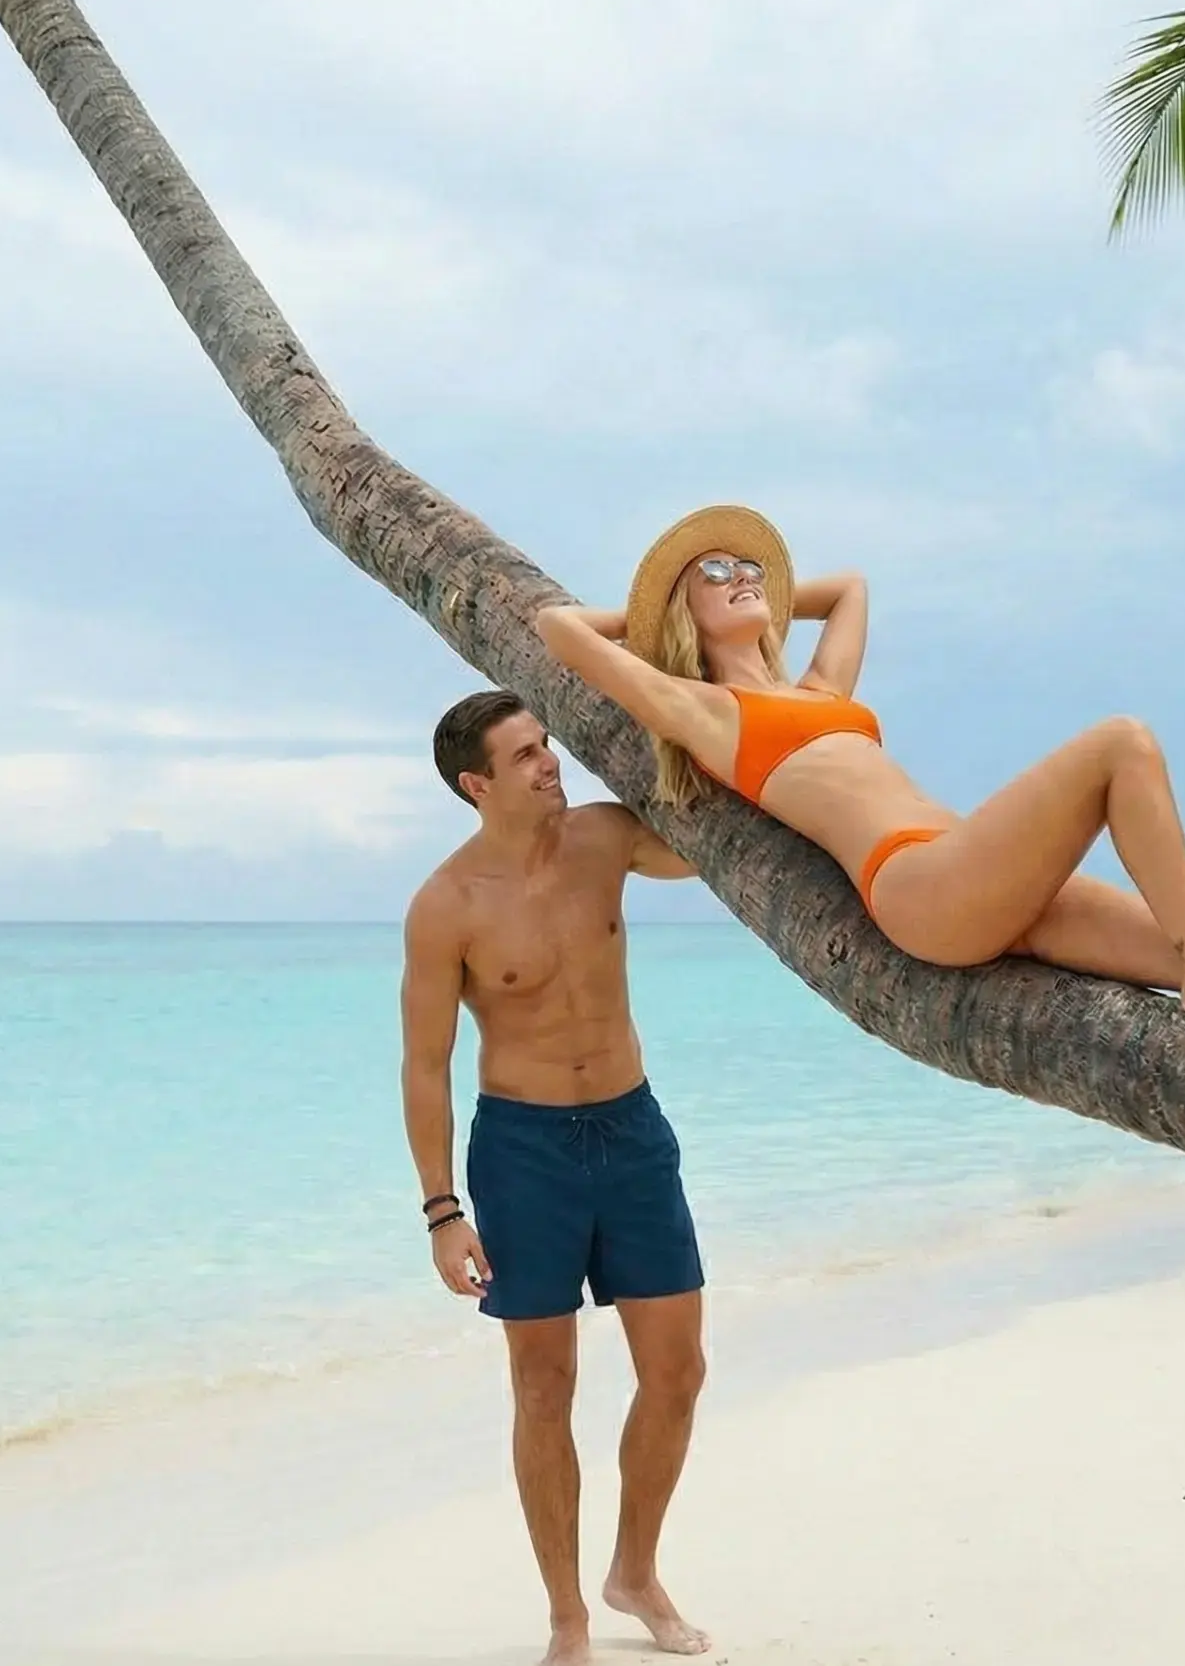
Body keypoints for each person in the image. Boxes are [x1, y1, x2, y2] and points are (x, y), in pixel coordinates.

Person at [535, 504, 1185, 1057]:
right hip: (918, 886)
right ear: (679, 615)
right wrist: (654, 605)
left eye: (745, 566)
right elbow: (557, 630)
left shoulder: (815, 686)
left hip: (974, 870)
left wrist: (744, 587)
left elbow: (851, 589)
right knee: (1120, 745)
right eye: (713, 576)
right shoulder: (710, 714)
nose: (740, 576)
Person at [401, 689, 712, 1666]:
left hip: (632, 1131)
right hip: (522, 1150)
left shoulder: (606, 838)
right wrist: (442, 1211)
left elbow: (711, 847)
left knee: (677, 1370)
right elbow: (423, 1064)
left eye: (546, 743)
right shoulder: (445, 904)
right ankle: (567, 1616)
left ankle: (634, 1569)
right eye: (524, 754)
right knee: (544, 1387)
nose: (548, 763)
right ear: (475, 783)